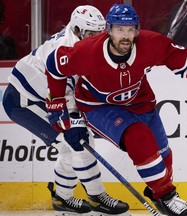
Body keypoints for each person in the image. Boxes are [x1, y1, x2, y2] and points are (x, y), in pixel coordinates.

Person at [44, 4, 187, 216]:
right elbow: (53, 65)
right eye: (119, 29)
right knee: (138, 136)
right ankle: (167, 195)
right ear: (108, 30)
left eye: (130, 29)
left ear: (137, 30)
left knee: (163, 157)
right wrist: (57, 102)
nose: (125, 36)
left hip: (141, 102)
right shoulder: (86, 51)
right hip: (99, 106)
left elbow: (185, 61)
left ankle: (159, 194)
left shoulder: (150, 43)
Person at [2, 5, 129, 216]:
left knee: (79, 142)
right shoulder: (64, 50)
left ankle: (63, 199)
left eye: (100, 32)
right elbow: (59, 95)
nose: (97, 37)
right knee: (73, 144)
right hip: (22, 101)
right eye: (91, 33)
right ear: (78, 30)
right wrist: (68, 121)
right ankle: (96, 196)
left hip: (43, 96)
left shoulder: (81, 43)